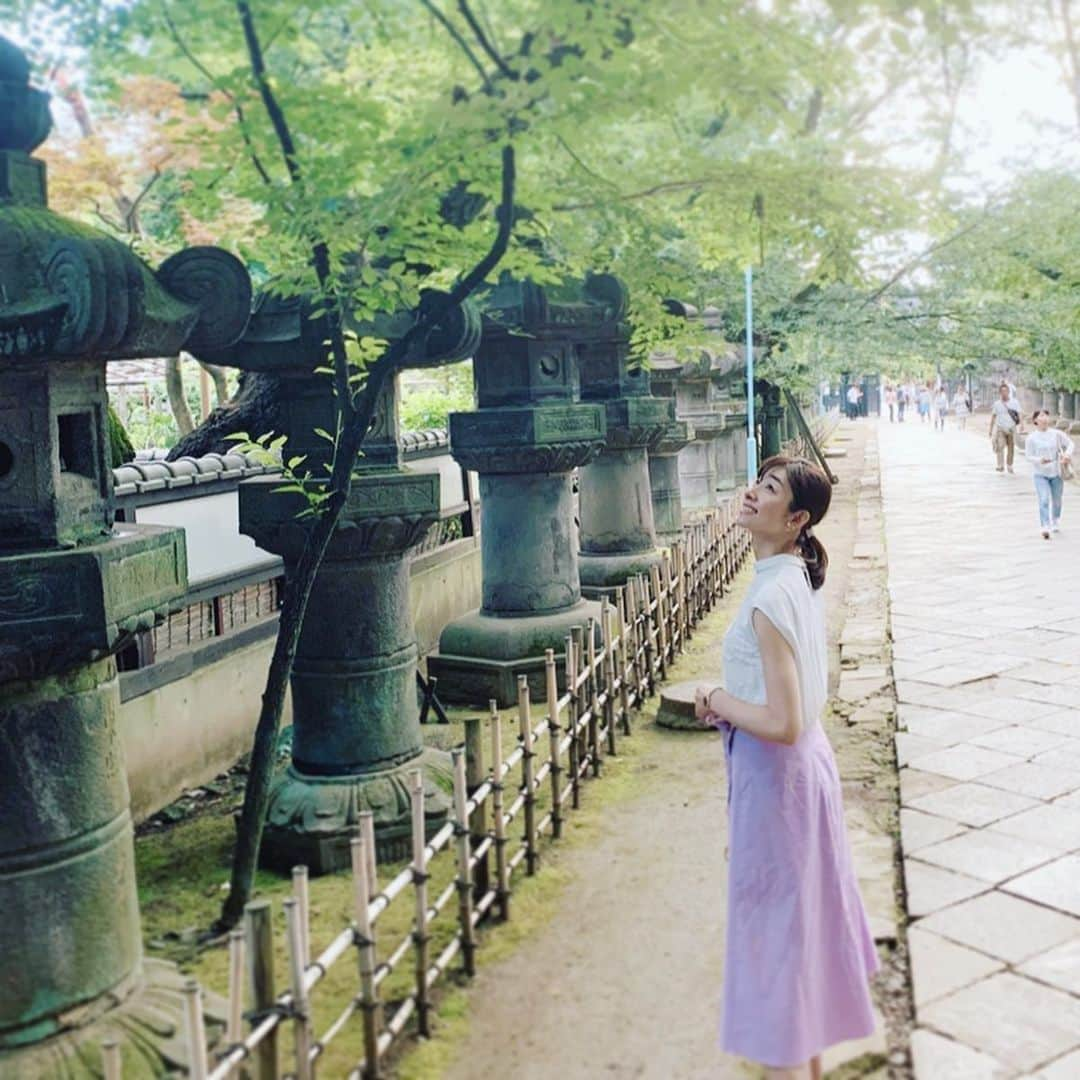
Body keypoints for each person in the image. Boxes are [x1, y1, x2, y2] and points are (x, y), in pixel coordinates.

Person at [694, 457, 879, 1080]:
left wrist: (716, 700)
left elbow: (783, 720)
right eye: (757, 482)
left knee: (776, 948)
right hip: (800, 776)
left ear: (796, 518)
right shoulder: (789, 575)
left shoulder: (772, 596)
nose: (751, 493)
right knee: (797, 941)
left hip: (777, 780)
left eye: (768, 489)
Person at [1025, 409, 1074, 539]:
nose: (1044, 418)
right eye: (1041, 416)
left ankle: (1055, 519)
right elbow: (1028, 456)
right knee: (1044, 499)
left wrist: (1067, 455)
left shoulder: (1056, 434)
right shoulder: (1031, 438)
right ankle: (1044, 525)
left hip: (1056, 471)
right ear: (1035, 420)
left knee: (1057, 499)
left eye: (1046, 415)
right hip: (1040, 473)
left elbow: (1070, 444)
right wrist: (1039, 460)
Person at [989, 382, 1020, 473]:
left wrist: (1021, 425)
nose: (1004, 393)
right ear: (999, 393)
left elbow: (1019, 414)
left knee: (1011, 447)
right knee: (1000, 446)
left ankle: (1009, 465)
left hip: (1011, 427)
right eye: (1002, 391)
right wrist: (990, 429)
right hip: (1000, 428)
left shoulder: (1014, 402)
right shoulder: (997, 404)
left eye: (1006, 391)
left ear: (1008, 391)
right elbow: (993, 417)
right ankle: (1000, 465)